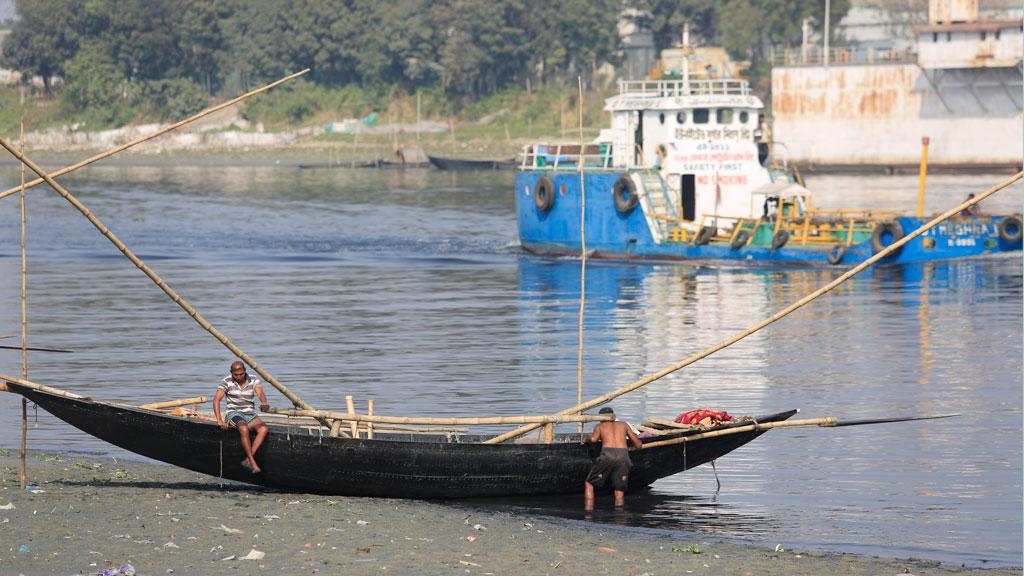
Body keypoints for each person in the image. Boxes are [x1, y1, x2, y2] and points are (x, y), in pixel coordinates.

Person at [214, 361, 270, 474]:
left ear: (245, 371)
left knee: (264, 429)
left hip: (250, 414)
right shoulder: (226, 381)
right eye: (236, 375)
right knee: (243, 428)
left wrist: (264, 403)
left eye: (241, 374)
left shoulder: (253, 379)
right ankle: (252, 462)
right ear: (231, 373)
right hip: (233, 414)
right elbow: (216, 400)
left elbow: (260, 394)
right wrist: (219, 420)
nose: (239, 377)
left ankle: (248, 460)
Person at [584, 407, 643, 509]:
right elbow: (638, 445)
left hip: (608, 454)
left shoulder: (600, 426)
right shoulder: (624, 424)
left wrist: (586, 439)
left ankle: (588, 511)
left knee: (589, 483)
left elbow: (593, 439)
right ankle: (619, 518)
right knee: (619, 491)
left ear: (601, 418)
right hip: (623, 455)